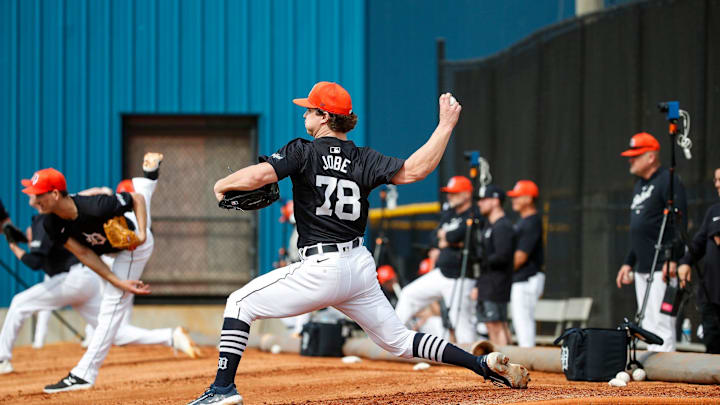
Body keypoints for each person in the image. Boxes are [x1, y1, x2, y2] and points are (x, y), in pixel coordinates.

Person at [188, 82, 529, 404]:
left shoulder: (302, 151)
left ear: (324, 116)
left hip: (321, 267)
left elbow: (260, 176)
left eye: (309, 110)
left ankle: (222, 388)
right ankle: (480, 365)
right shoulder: (363, 158)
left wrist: (221, 184)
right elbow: (415, 170)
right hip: (358, 266)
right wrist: (445, 126)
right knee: (398, 340)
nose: (304, 115)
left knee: (238, 303)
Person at [19, 153, 196, 393]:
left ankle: (83, 374)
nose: (33, 199)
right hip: (112, 249)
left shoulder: (93, 206)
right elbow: (82, 253)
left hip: (134, 246)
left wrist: (143, 234)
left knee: (111, 308)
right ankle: (149, 177)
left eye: (38, 194)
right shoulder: (51, 223)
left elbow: (136, 200)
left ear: (55, 194)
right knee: (113, 301)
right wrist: (115, 280)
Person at [616, 132, 687, 352]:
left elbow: (680, 223)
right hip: (643, 265)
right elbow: (640, 231)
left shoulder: (668, 180)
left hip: (663, 265)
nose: (631, 160)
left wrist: (673, 259)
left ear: (651, 157)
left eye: (636, 155)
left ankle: (667, 382)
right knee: (647, 323)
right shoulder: (639, 185)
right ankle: (654, 382)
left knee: (663, 325)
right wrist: (628, 262)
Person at [395, 175, 478, 344]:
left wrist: (448, 238)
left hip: (460, 278)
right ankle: (392, 338)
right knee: (408, 294)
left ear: (466, 195)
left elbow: (460, 235)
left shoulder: (473, 214)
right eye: (449, 193)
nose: (450, 196)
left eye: (454, 193)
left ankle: (472, 362)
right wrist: (448, 239)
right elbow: (433, 237)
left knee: (460, 323)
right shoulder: (450, 214)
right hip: (442, 273)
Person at [678, 168, 720, 354]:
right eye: (716, 180)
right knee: (712, 344)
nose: (717, 184)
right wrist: (685, 262)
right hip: (711, 296)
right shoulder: (713, 212)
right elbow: (699, 242)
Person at [473, 185, 515, 346]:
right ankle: (499, 361)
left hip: (497, 282)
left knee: (498, 324)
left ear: (495, 201)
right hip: (487, 282)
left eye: (484, 200)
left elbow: (502, 256)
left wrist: (481, 259)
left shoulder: (502, 225)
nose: (480, 203)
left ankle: (507, 361)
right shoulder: (488, 226)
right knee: (491, 324)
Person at [506, 180, 545, 348]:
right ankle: (526, 356)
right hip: (523, 278)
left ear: (529, 198)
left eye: (518, 196)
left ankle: (527, 359)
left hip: (527, 277)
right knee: (521, 321)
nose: (513, 200)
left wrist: (502, 273)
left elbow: (520, 257)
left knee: (523, 321)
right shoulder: (524, 221)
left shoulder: (532, 221)